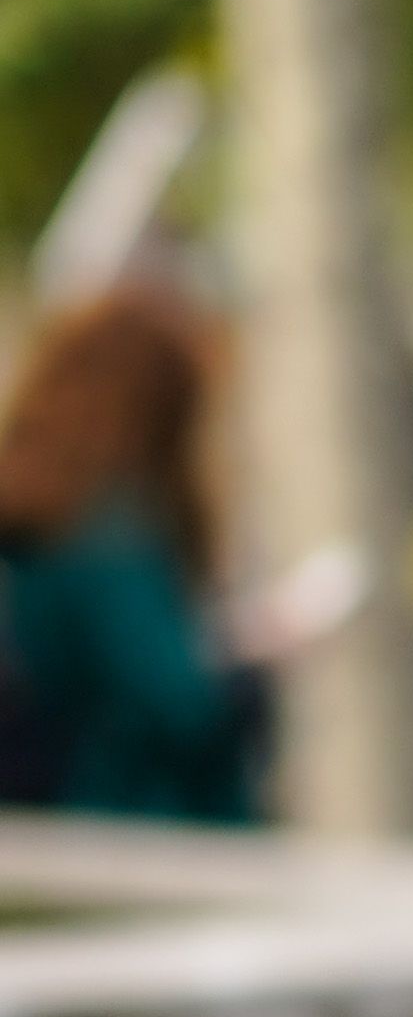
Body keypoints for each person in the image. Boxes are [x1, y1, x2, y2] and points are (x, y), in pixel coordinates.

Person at [0, 284, 258, 823]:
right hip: (138, 818)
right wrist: (244, 671)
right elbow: (179, 704)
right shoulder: (108, 537)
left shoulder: (38, 518)